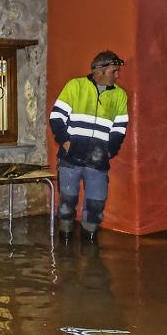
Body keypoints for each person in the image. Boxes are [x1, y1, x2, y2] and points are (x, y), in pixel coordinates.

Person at [49, 51, 130, 243]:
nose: (117, 76)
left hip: (98, 162)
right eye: (114, 71)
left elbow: (120, 128)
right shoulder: (75, 86)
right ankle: (65, 244)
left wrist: (110, 151)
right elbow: (57, 117)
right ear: (99, 70)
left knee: (96, 204)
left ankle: (90, 244)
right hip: (70, 159)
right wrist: (67, 142)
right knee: (67, 203)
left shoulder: (120, 95)